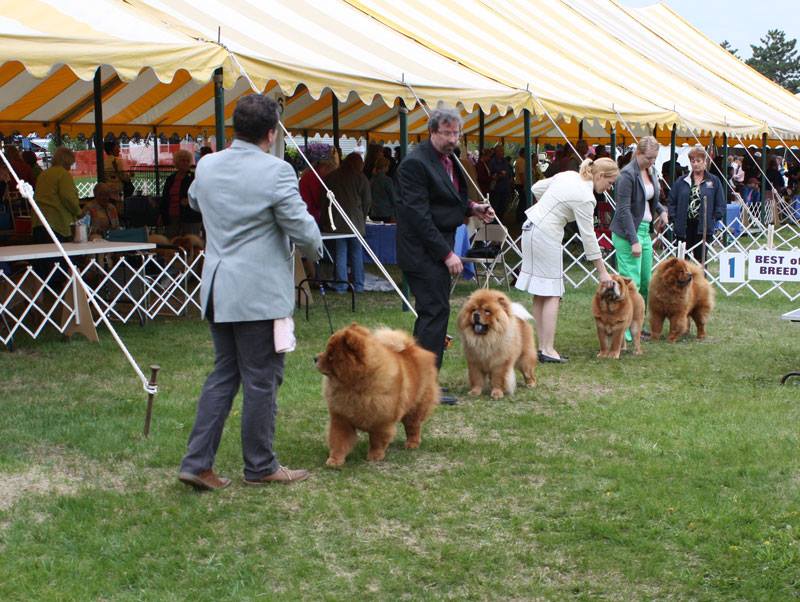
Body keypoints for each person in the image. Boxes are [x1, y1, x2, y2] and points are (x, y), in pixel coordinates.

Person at [178, 94, 322, 491]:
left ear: (234, 127)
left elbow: (193, 199)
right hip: (257, 294)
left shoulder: (207, 165)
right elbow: (302, 227)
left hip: (217, 288)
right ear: (272, 132)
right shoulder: (277, 172)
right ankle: (260, 465)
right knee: (261, 378)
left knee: (224, 375)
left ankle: (197, 462)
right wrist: (317, 250)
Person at [396, 107, 495, 402]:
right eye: (448, 133)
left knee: (437, 311)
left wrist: (471, 208)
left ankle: (428, 381)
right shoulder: (415, 164)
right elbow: (418, 215)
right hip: (422, 251)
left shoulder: (449, 159)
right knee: (433, 313)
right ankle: (424, 386)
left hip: (438, 246)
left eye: (457, 133)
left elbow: (446, 200)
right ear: (432, 132)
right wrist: (446, 254)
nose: (453, 139)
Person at [515, 157, 618, 363]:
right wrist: (603, 271)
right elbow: (589, 238)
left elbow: (536, 188)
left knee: (541, 291)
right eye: (610, 182)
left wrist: (555, 205)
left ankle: (541, 347)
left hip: (530, 228)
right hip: (546, 234)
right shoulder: (586, 198)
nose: (609, 187)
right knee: (553, 292)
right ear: (599, 175)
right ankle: (548, 349)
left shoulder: (569, 175)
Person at [610, 136, 668, 311]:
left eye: (654, 158)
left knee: (645, 282)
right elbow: (623, 210)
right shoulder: (627, 175)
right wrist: (633, 240)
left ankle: (638, 323)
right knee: (631, 283)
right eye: (648, 158)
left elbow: (647, 197)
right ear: (638, 153)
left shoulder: (650, 171)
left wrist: (661, 210)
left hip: (644, 231)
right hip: (627, 233)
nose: (651, 162)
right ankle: (625, 328)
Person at [668, 145, 725, 264]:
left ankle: (700, 282)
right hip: (684, 226)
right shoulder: (681, 181)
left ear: (704, 161)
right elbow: (672, 201)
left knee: (701, 261)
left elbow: (720, 203)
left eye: (698, 161)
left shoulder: (714, 181)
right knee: (682, 262)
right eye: (692, 161)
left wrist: (714, 218)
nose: (695, 164)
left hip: (704, 227)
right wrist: (673, 217)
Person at [322, 152, 371, 292]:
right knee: (356, 253)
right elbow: (367, 201)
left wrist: (327, 219)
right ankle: (359, 285)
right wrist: (362, 216)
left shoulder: (331, 178)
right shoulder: (361, 178)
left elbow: (324, 200)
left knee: (340, 254)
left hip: (337, 222)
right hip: (355, 222)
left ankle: (341, 285)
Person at [32, 146, 81, 244]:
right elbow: (68, 198)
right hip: (57, 224)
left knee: (44, 257)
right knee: (59, 257)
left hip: (39, 221)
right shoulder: (63, 174)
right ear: (68, 161)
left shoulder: (43, 174)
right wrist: (78, 212)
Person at [161, 149, 200, 237]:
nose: (185, 163)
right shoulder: (170, 179)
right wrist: (162, 214)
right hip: (172, 216)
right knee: (172, 241)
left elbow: (201, 194)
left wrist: (189, 200)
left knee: (190, 242)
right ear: (177, 163)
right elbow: (165, 198)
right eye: (182, 160)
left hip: (190, 216)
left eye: (187, 161)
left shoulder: (194, 178)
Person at [299, 158, 336, 226]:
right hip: (310, 216)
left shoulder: (310, 175)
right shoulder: (314, 177)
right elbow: (319, 200)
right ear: (324, 168)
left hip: (307, 213)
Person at [368, 155, 396, 222]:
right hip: (386, 212)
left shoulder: (372, 180)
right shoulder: (387, 180)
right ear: (384, 167)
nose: (388, 168)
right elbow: (392, 197)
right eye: (387, 166)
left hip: (374, 212)